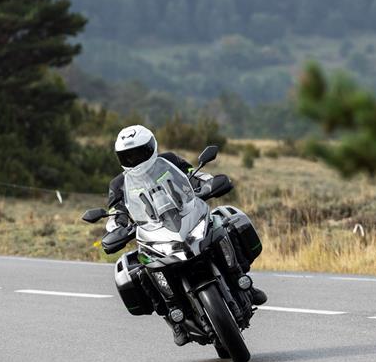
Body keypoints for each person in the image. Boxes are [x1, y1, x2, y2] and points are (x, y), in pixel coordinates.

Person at [107, 125, 267, 345]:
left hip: (187, 217)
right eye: (128, 155)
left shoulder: (169, 160)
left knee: (225, 224)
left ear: (151, 147)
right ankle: (172, 318)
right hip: (153, 231)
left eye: (139, 152)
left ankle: (240, 280)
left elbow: (195, 175)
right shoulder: (119, 184)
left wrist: (207, 185)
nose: (134, 158)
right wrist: (118, 228)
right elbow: (115, 214)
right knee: (142, 269)